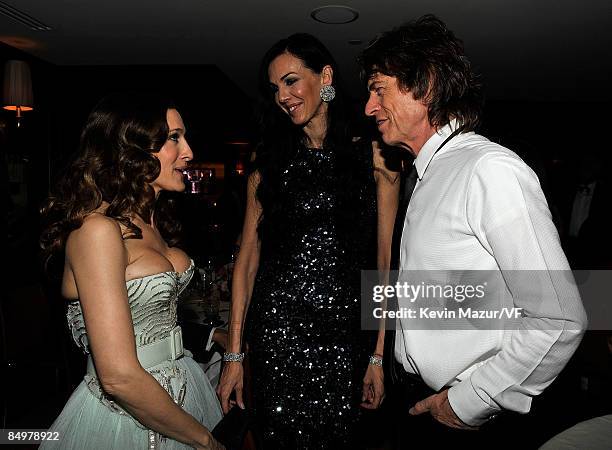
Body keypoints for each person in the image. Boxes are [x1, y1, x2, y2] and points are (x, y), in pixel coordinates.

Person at [359, 15, 587, 447]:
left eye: (378, 88)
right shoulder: (429, 174)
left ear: (423, 86)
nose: (368, 107)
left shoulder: (487, 169)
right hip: (419, 399)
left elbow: (559, 318)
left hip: (466, 418)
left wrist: (471, 401)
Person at [216, 33, 399, 448]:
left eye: (292, 81)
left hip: (345, 343)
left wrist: (377, 354)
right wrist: (234, 355)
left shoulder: (377, 157)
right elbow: (247, 260)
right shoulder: (268, 165)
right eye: (275, 87)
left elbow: (386, 263)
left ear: (326, 77)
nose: (283, 95)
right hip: (275, 340)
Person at [39, 93, 224, 449]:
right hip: (127, 412)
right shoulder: (97, 231)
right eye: (174, 138)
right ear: (131, 147)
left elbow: (148, 316)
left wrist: (215, 335)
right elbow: (119, 376)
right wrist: (205, 441)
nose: (188, 151)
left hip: (182, 382)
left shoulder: (151, 220)